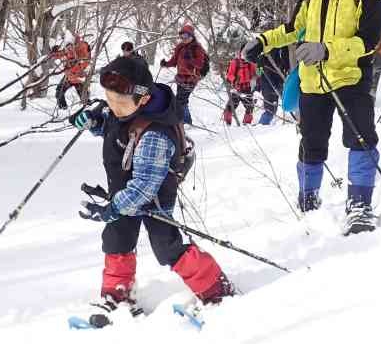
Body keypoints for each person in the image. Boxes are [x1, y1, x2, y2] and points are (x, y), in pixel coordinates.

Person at [242, 0, 381, 236]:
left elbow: (369, 42)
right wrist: (263, 41)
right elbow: (293, 28)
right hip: (313, 81)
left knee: (360, 138)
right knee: (311, 144)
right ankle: (308, 200)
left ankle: (360, 205)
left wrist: (328, 50)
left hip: (350, 78)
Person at [71, 55, 234, 327]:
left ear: (143, 99)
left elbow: (145, 186)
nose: (113, 107)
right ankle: (118, 294)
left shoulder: (155, 133)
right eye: (109, 100)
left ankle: (216, 291)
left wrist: (111, 208)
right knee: (117, 238)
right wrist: (94, 123)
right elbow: (119, 130)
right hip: (125, 192)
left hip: (153, 198)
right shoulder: (128, 109)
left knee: (167, 246)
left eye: (119, 103)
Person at [160, 24, 209, 124]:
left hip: (191, 79)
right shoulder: (180, 47)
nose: (184, 39)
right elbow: (174, 61)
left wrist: (190, 58)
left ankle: (181, 121)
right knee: (182, 100)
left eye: (186, 36)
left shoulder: (197, 48)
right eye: (182, 36)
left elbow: (200, 64)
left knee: (179, 101)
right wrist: (165, 64)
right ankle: (187, 121)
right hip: (180, 78)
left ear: (191, 36)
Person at [54, 34, 91, 110]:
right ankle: (63, 110)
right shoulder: (68, 48)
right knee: (59, 93)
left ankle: (89, 110)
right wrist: (54, 51)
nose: (68, 48)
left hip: (79, 78)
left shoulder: (82, 48)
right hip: (69, 77)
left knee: (85, 99)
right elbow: (59, 54)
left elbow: (85, 61)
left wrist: (75, 71)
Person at [256, 46, 290, 124]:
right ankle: (261, 126)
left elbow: (286, 63)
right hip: (268, 83)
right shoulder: (265, 52)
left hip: (279, 82)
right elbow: (259, 71)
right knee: (270, 110)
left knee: (273, 109)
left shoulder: (283, 49)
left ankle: (263, 126)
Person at [223, 47, 257, 125]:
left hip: (247, 88)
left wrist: (261, 69)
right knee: (231, 106)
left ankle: (247, 123)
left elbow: (256, 73)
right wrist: (235, 80)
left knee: (250, 106)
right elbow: (229, 75)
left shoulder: (250, 63)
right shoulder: (235, 62)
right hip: (236, 88)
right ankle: (226, 123)